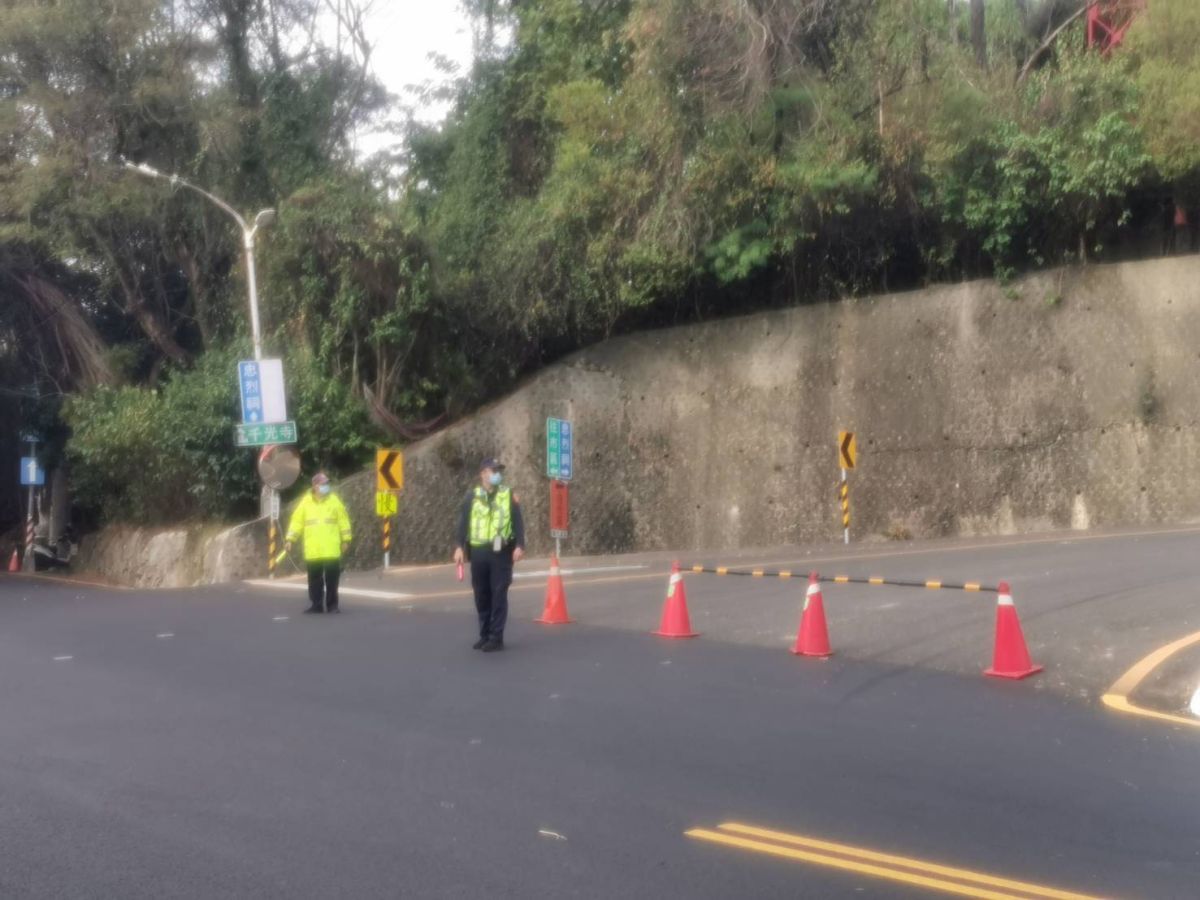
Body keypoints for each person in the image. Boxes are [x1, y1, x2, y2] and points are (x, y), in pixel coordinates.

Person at [453, 458, 525, 651]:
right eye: (493, 470)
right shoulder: (472, 497)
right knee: (481, 595)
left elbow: (518, 521)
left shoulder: (508, 494)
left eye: (498, 471)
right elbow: (463, 523)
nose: (497, 474)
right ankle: (484, 634)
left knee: (499, 593)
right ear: (483, 474)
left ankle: (496, 637)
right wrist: (459, 546)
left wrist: (519, 545)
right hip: (478, 552)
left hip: (501, 552)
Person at [285, 472, 352, 614]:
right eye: (323, 484)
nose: (326, 486)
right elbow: (297, 521)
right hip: (313, 548)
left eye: (327, 484)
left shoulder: (334, 501)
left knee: (332, 579)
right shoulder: (305, 502)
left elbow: (343, 520)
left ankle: (332, 605)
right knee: (314, 580)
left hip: (331, 548)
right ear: (314, 486)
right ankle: (316, 605)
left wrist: (346, 539)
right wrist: (290, 539)